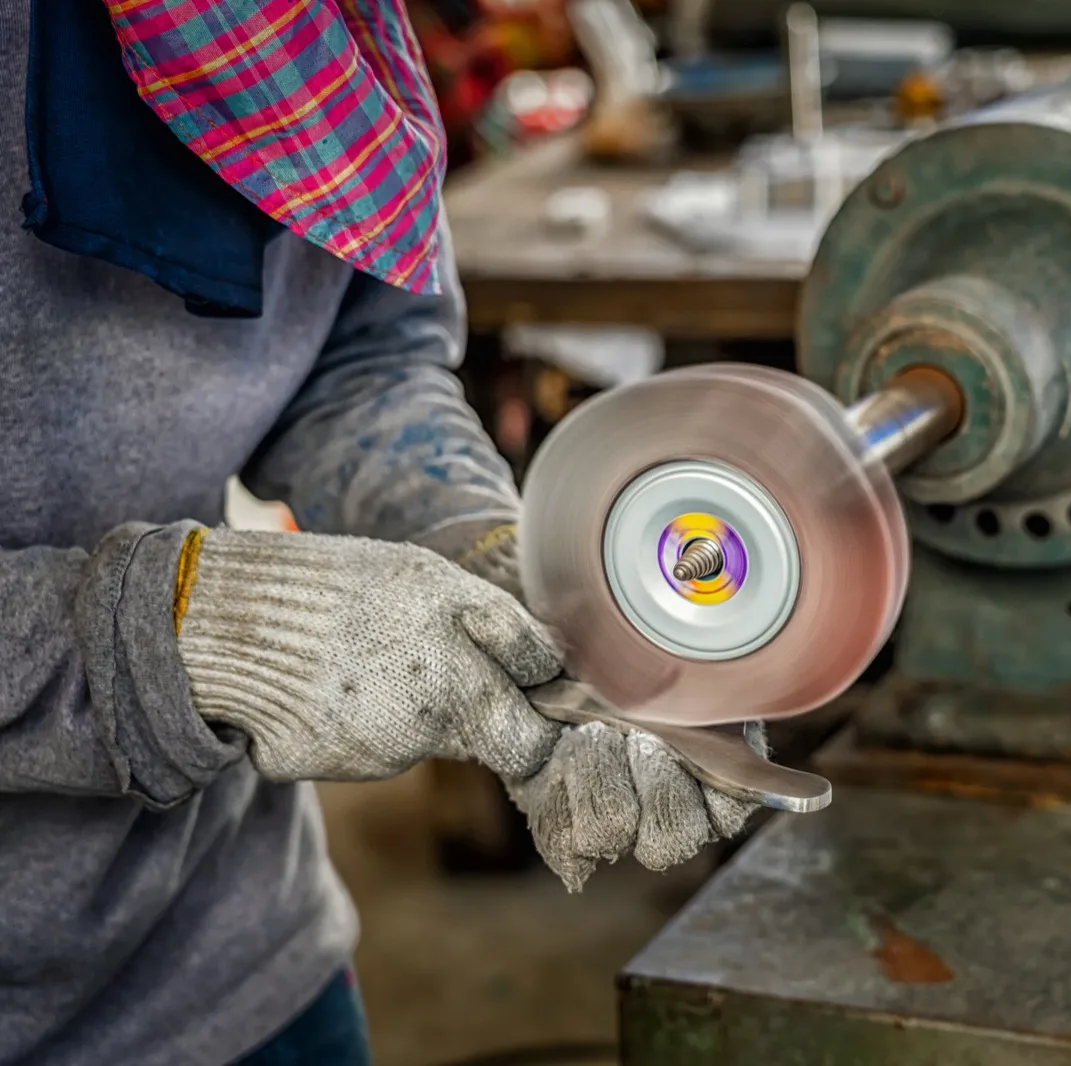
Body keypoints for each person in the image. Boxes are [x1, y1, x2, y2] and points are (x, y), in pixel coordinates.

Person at [0, 2, 757, 1063]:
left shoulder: (306, 22)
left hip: (227, 944)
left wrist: (482, 550)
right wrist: (178, 636)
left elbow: (357, 357)